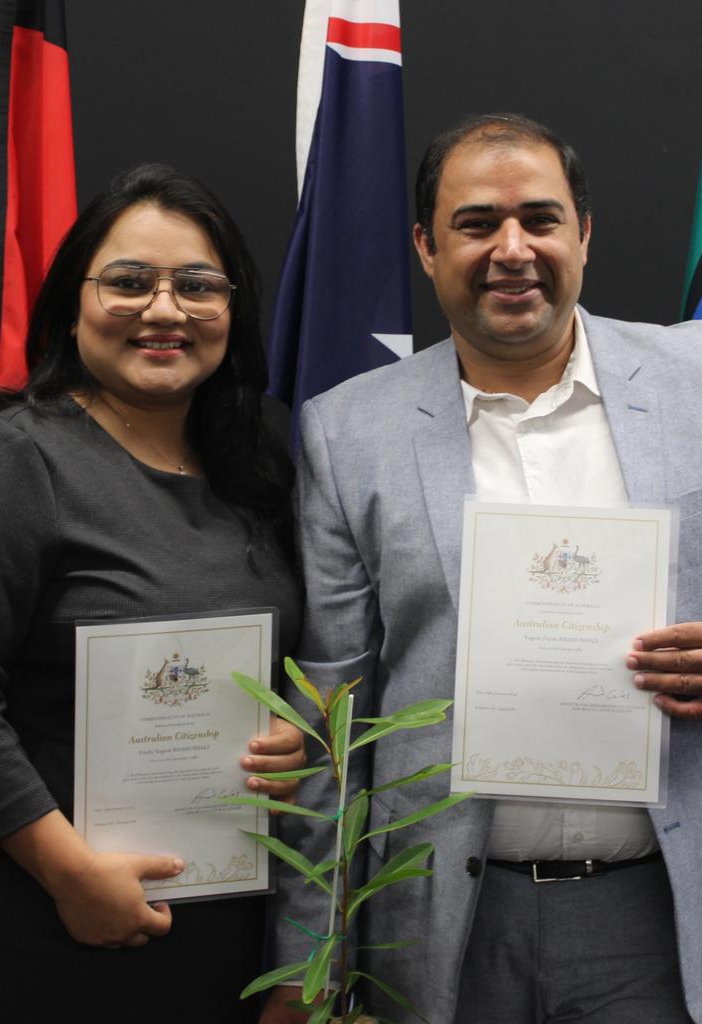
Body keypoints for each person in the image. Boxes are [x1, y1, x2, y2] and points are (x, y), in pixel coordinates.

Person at [261, 114, 702, 1024]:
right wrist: (309, 967)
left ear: (585, 233)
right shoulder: (349, 432)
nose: (513, 249)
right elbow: (332, 720)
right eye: (475, 223)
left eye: (541, 219)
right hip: (443, 922)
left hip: (665, 911)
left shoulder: (695, 383)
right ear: (426, 246)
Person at [0, 163, 305, 1023]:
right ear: (74, 301)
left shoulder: (258, 471)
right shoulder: (5, 464)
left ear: (232, 310)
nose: (166, 311)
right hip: (48, 926)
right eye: (130, 282)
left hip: (229, 929)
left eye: (198, 286)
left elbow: (306, 653)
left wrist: (299, 726)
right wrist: (69, 874)